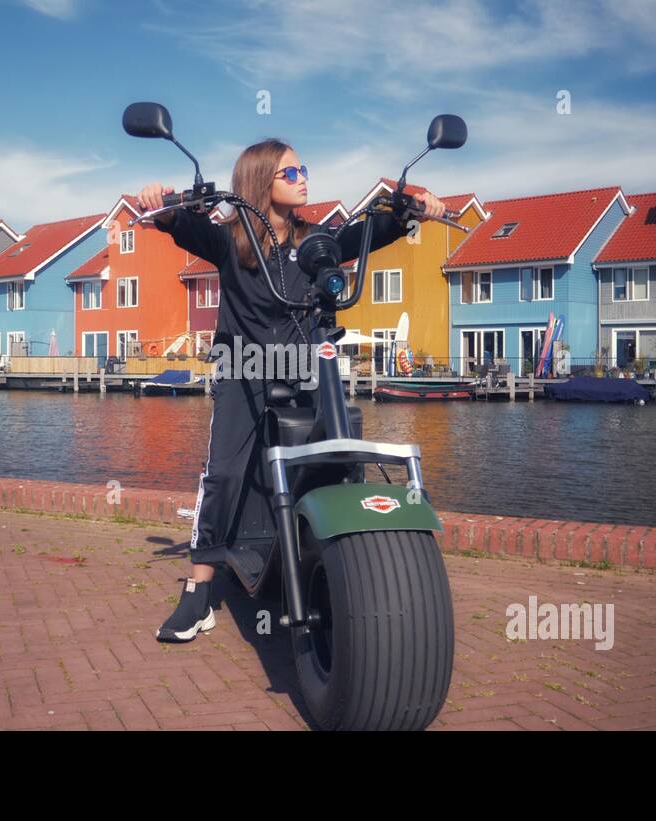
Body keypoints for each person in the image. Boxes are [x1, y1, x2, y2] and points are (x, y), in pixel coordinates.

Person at [138, 138, 445, 642]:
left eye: (303, 169)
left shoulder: (316, 240)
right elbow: (185, 226)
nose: (303, 177)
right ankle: (199, 595)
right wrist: (164, 208)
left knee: (331, 452)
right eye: (290, 172)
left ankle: (337, 560)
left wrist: (412, 213)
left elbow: (366, 234)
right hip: (242, 370)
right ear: (262, 182)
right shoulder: (230, 240)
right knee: (225, 471)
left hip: (304, 367)